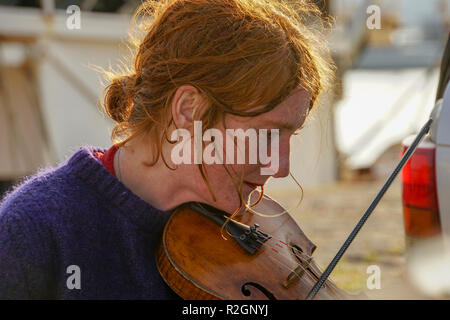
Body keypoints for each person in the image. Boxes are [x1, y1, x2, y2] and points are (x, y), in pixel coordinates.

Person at [0, 0, 332, 299]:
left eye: (291, 135)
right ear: (190, 109)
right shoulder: (32, 231)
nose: (281, 166)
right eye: (268, 134)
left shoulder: (241, 239)